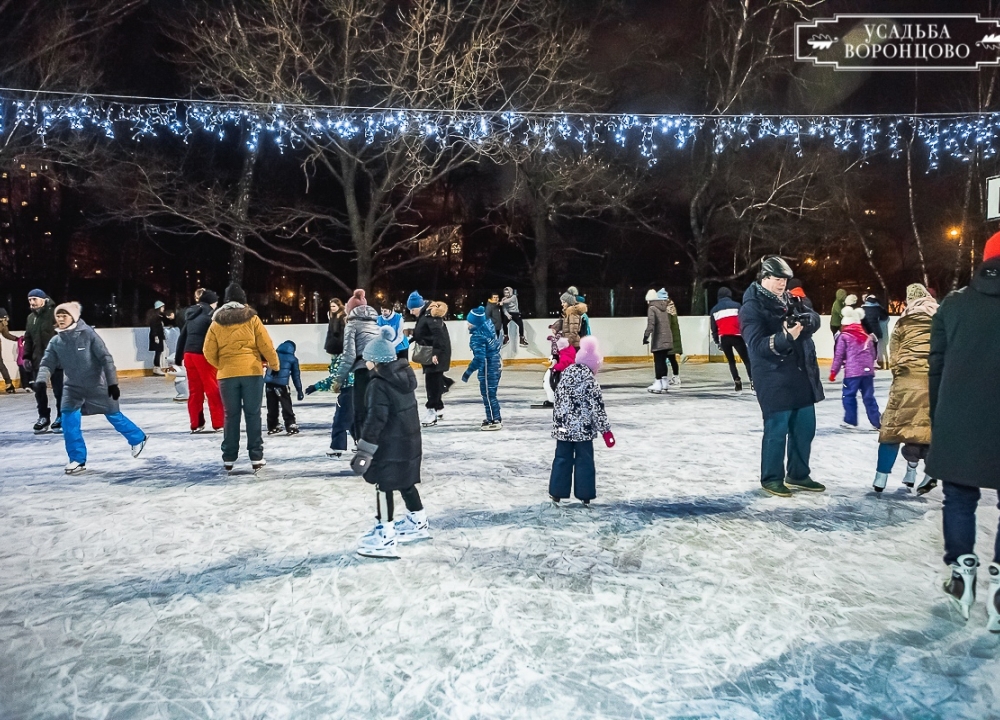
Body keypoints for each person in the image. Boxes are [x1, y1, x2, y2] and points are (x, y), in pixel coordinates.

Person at [926, 233, 1000, 628]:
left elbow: (934, 365)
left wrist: (941, 416)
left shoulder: (953, 306)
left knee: (958, 498)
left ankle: (961, 575)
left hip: (958, 417)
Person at [739, 256, 825, 498]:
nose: (782, 284)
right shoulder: (751, 307)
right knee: (777, 430)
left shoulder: (792, 298)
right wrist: (785, 337)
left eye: (785, 280)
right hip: (774, 377)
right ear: (764, 278)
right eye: (777, 280)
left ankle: (798, 474)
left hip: (801, 374)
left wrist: (810, 320)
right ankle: (771, 477)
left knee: (805, 428)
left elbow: (814, 316)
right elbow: (756, 345)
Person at [34, 302, 147, 474]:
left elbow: (105, 359)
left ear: (73, 317)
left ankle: (137, 437)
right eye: (58, 315)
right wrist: (41, 380)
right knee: (68, 421)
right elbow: (47, 362)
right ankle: (77, 459)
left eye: (65, 315)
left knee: (113, 414)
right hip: (72, 388)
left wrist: (112, 383)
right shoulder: (57, 341)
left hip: (96, 385)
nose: (61, 318)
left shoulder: (88, 335)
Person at [351, 326, 428, 558]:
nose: (366, 363)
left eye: (368, 359)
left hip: (390, 445)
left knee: (383, 486)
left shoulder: (378, 384)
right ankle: (418, 521)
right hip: (409, 442)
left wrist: (364, 451)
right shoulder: (403, 377)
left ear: (376, 361)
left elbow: (375, 420)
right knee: (405, 481)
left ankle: (385, 535)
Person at [203, 283, 279, 473]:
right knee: (253, 415)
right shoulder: (252, 318)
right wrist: (274, 365)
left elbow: (207, 351)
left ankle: (229, 457)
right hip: (251, 373)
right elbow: (266, 344)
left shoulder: (216, 322)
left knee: (231, 415)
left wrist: (222, 366)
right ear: (243, 300)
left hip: (227, 376)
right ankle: (256, 457)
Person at [873, 284, 937, 495]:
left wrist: (902, 377)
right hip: (933, 383)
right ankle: (929, 475)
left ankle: (880, 478)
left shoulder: (902, 322)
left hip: (905, 382)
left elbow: (895, 356)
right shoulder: (940, 320)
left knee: (893, 429)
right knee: (928, 431)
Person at [549, 335, 614, 506]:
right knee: (584, 460)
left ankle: (557, 492)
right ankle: (585, 495)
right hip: (583, 431)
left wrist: (558, 425)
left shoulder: (565, 376)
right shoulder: (590, 381)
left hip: (563, 429)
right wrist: (606, 431)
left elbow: (558, 402)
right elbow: (597, 408)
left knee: (562, 458)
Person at [336, 289, 382, 442]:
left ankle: (362, 439)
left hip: (362, 370)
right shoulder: (375, 324)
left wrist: (339, 379)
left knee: (360, 407)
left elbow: (349, 355)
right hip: (378, 370)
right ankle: (376, 438)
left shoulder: (352, 326)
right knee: (374, 405)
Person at [175, 289, 224, 433]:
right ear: (212, 302)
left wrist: (179, 357)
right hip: (203, 355)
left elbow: (182, 336)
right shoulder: (210, 316)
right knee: (212, 389)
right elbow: (217, 338)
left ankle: (196, 424)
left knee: (195, 391)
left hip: (189, 355)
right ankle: (219, 423)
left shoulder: (191, 315)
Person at [829, 307, 881, 432]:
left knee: (849, 395)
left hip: (852, 373)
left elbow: (839, 355)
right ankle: (877, 422)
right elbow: (873, 353)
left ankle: (850, 420)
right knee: (869, 397)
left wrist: (833, 372)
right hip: (867, 373)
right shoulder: (866, 336)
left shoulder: (844, 336)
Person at [407, 291, 453, 427]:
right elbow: (421, 333)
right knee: (435, 379)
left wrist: (436, 354)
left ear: (419, 306)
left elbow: (439, 336)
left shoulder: (430, 316)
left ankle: (431, 410)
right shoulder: (424, 315)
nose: (411, 312)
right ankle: (439, 406)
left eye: (412, 309)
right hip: (430, 353)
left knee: (431, 382)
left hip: (435, 354)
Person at [24, 289, 63, 433]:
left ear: (43, 299)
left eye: (34, 299)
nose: (32, 303)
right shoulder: (30, 318)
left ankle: (61, 417)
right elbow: (28, 338)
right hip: (38, 361)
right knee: (39, 390)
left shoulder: (55, 314)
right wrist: (27, 357)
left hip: (57, 361)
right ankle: (43, 417)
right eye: (29, 300)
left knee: (59, 391)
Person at [462, 306, 503, 430]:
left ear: (475, 323)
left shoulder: (477, 337)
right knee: (492, 394)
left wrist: (468, 372)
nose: (467, 324)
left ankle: (494, 420)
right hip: (496, 364)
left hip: (488, 368)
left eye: (469, 321)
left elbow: (479, 358)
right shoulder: (488, 328)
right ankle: (495, 416)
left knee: (488, 394)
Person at [710, 287, 752, 392]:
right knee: (746, 360)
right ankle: (753, 382)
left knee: (731, 362)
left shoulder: (714, 310)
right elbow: (744, 320)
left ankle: (736, 380)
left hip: (724, 338)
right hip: (737, 336)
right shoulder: (737, 306)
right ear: (729, 294)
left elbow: (714, 328)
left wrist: (717, 341)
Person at [265, 340, 303, 435]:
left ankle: (272, 425)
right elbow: (296, 376)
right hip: (282, 386)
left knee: (271, 406)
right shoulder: (293, 359)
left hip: (269, 384)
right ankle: (290, 424)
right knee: (286, 405)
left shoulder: (273, 355)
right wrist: (299, 390)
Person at [643, 288, 674, 394]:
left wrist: (646, 336)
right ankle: (664, 382)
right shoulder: (664, 308)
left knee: (658, 361)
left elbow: (651, 323)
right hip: (668, 338)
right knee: (663, 361)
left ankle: (658, 383)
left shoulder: (652, 308)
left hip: (659, 339)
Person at [861, 294, 890, 367]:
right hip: (875, 330)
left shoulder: (862, 308)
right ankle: (874, 362)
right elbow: (884, 317)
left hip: (865, 330)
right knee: (874, 346)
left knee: (865, 346)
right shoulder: (878, 308)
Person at [147, 300, 174, 375]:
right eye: (162, 307)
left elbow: (161, 325)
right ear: (159, 308)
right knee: (158, 352)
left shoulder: (159, 317)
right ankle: (156, 368)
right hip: (157, 337)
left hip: (159, 336)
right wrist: (156, 337)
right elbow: (154, 327)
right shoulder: (155, 318)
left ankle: (158, 367)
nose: (163, 308)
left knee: (159, 351)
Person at [663, 290, 682, 387]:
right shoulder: (671, 308)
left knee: (665, 358)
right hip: (673, 338)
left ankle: (665, 379)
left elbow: (667, 325)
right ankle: (676, 377)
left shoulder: (667, 311)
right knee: (671, 358)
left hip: (669, 339)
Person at [0, 307, 20, 393]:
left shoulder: (3, 324)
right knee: (1, 365)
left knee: (0, 364)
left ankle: (9, 383)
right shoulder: (3, 324)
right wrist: (16, 339)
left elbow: (6, 334)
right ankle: (9, 383)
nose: (5, 320)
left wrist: (17, 339)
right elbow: (6, 334)